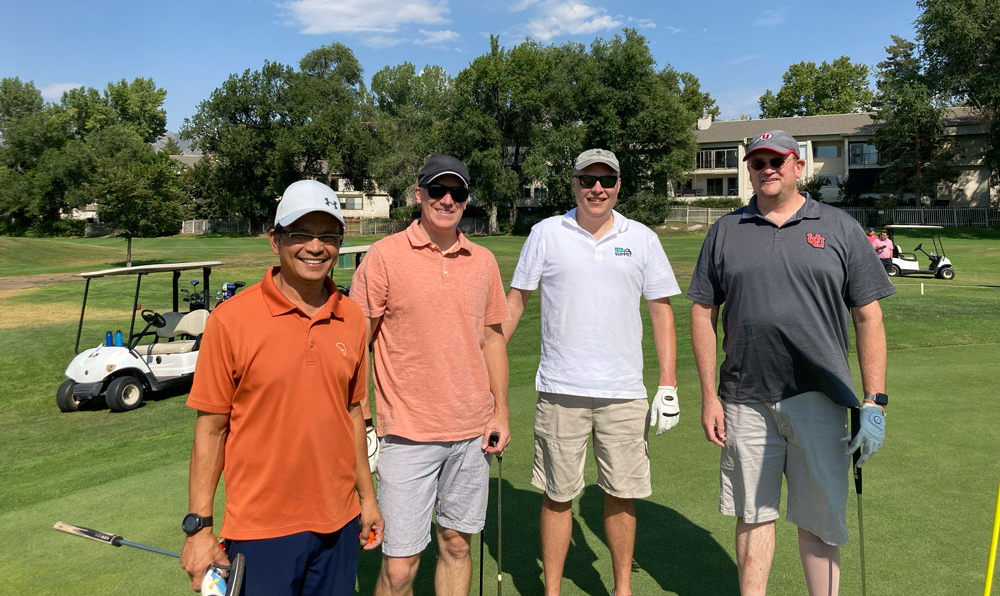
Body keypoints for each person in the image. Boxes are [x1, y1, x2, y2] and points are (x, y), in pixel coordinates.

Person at [687, 130, 894, 596]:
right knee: (753, 517)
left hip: (820, 397)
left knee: (819, 522)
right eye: (757, 162)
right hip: (744, 398)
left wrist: (875, 400)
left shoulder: (839, 227)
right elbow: (703, 311)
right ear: (749, 169)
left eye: (776, 160)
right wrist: (708, 396)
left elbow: (868, 314)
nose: (767, 169)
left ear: (798, 165)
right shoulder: (725, 231)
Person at [180, 180, 383, 595]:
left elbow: (353, 415)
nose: (315, 246)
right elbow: (211, 429)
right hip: (261, 529)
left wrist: (368, 498)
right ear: (276, 240)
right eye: (300, 234)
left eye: (328, 236)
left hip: (339, 524)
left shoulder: (352, 316)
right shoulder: (231, 320)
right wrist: (199, 528)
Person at [504, 148, 682, 596]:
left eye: (606, 180)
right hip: (560, 389)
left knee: (621, 494)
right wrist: (481, 362)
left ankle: (621, 589)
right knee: (558, 495)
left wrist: (668, 383)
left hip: (623, 391)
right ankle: (553, 590)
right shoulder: (546, 233)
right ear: (574, 184)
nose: (596, 188)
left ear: (619, 185)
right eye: (588, 180)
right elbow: (515, 303)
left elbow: (661, 313)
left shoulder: (641, 238)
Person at [350, 155, 510, 596]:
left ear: (466, 199)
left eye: (456, 192)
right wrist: (361, 418)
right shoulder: (383, 257)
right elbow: (354, 348)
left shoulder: (482, 261)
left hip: (471, 431)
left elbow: (493, 339)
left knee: (457, 545)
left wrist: (502, 412)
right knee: (400, 566)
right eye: (436, 190)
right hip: (406, 434)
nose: (446, 200)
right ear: (417, 195)